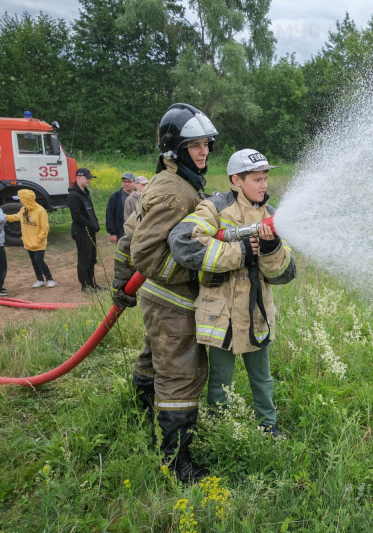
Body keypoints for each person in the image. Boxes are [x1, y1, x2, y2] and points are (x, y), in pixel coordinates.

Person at [111, 103, 218, 484]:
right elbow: (146, 251)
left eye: (207, 144)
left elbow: (129, 233)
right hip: (173, 300)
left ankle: (139, 411)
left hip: (157, 299)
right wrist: (201, 267)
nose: (204, 151)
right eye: (195, 145)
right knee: (180, 373)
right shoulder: (175, 192)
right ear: (175, 148)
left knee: (154, 357)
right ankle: (176, 463)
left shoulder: (172, 181)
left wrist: (120, 283)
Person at [169, 149, 296, 438]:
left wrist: (268, 248)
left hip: (256, 312)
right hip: (219, 312)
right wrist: (238, 251)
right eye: (257, 179)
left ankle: (268, 426)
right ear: (236, 180)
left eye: (265, 179)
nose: (264, 185)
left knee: (262, 378)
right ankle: (219, 429)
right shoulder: (214, 208)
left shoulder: (273, 216)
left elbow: (284, 273)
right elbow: (183, 242)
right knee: (221, 379)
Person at [4, 189, 56, 288]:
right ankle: (40, 279)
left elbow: (45, 229)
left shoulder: (40, 210)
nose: (19, 201)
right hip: (28, 242)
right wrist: (3, 216)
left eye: (21, 199)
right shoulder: (23, 209)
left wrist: (39, 240)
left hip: (38, 243)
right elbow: (16, 217)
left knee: (39, 260)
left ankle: (50, 279)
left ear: (26, 199)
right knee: (33, 261)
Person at [68, 167, 104, 292]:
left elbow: (90, 212)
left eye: (90, 178)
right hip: (81, 232)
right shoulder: (73, 195)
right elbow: (77, 216)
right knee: (84, 258)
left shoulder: (85, 193)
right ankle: (85, 286)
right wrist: (90, 225)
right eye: (87, 178)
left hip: (90, 230)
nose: (89, 180)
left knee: (92, 258)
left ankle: (92, 283)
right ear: (79, 177)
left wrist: (95, 224)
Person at [106, 172, 135, 242]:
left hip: (135, 231)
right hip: (121, 232)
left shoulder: (139, 196)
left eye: (129, 182)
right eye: (124, 181)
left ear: (134, 182)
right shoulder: (115, 197)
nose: (126, 184)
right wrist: (112, 233)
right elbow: (110, 214)